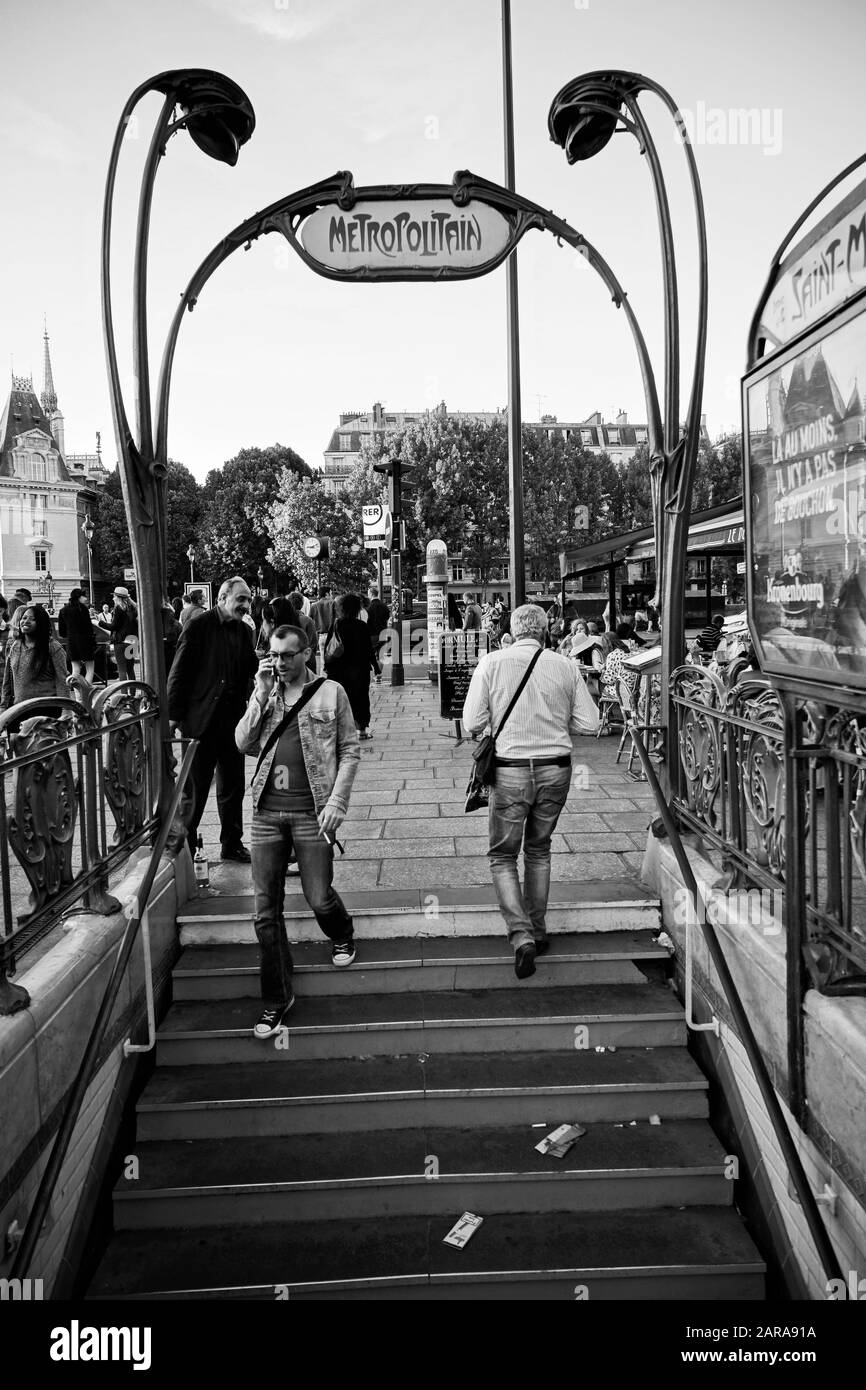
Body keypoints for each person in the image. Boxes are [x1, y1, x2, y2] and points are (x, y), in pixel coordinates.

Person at [235, 622, 361, 1037]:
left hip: (313, 810)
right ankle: (277, 997)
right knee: (264, 911)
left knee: (318, 895)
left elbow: (349, 747)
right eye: (274, 654)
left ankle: (341, 931)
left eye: (288, 655)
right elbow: (243, 742)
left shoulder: (331, 692)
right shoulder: (267, 692)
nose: (280, 662)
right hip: (266, 813)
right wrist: (259, 695)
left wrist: (338, 802)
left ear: (307, 653)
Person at [462, 603, 599, 979]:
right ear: (545, 630)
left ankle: (521, 936)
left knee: (502, 855)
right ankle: (538, 931)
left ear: (512, 629)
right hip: (556, 770)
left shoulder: (492, 663)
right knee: (538, 850)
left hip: (510, 771)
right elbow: (590, 722)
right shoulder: (565, 665)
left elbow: (472, 721)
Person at [167, 575, 258, 862]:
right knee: (195, 789)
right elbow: (179, 673)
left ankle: (232, 844)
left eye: (248, 600)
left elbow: (249, 672)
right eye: (240, 599)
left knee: (233, 786)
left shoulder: (244, 632)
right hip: (201, 722)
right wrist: (172, 716)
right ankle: (187, 847)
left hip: (233, 721)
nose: (246, 605)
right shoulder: (198, 625)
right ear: (221, 598)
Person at [324, 593, 377, 739]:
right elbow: (368, 649)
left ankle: (342, 729)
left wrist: (327, 665)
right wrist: (375, 666)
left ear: (341, 608)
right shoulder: (362, 626)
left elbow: (328, 647)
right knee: (360, 698)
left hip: (339, 670)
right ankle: (362, 730)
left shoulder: (336, 625)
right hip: (360, 670)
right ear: (357, 609)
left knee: (341, 699)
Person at [1, 604, 69, 710]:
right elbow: (8, 679)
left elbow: (61, 680)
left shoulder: (53, 647)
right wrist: (3, 706)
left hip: (46, 710)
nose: (26, 621)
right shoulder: (15, 646)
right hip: (18, 709)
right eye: (24, 618)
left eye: (32, 619)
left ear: (41, 623)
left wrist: (66, 710)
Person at [59, 587, 97, 683]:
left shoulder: (63, 610)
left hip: (72, 642)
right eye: (84, 596)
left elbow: (62, 632)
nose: (86, 599)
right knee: (90, 669)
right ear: (79, 597)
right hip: (86, 641)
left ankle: (78, 696)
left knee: (75, 670)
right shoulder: (83, 609)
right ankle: (87, 692)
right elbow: (89, 627)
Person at [109, 587, 139, 680]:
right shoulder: (133, 609)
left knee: (122, 670)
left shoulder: (118, 609)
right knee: (130, 670)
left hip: (121, 642)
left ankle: (124, 694)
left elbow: (114, 626)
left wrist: (99, 622)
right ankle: (133, 694)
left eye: (114, 596)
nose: (113, 598)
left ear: (117, 597)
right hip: (133, 641)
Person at [287, 591, 318, 674]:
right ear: (302, 604)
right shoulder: (308, 621)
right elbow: (313, 643)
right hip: (307, 662)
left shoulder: (286, 620)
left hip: (290, 662)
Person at [367, 593, 391, 678]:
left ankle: (369, 675)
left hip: (371, 635)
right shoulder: (384, 606)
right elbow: (388, 618)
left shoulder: (368, 607)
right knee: (381, 656)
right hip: (383, 633)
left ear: (371, 594)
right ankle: (378, 676)